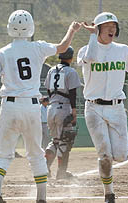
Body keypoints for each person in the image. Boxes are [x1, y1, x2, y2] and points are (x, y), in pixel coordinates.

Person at [0, 10, 81, 203]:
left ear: (9, 27)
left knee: (2, 154)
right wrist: (72, 29)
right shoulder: (37, 48)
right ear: (30, 28)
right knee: (36, 155)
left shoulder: (2, 53)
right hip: (32, 106)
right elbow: (63, 46)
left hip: (9, 106)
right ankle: (41, 199)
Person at [77, 12, 128, 203]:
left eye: (113, 26)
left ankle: (109, 182)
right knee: (104, 155)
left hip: (117, 109)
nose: (111, 29)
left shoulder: (122, 50)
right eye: (106, 26)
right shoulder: (85, 50)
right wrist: (91, 35)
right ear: (97, 29)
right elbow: (91, 57)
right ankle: (109, 193)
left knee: (120, 156)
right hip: (94, 108)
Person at [44, 46, 81, 180]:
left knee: (55, 141)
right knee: (65, 141)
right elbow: (72, 93)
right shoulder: (71, 71)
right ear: (70, 57)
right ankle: (61, 173)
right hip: (63, 108)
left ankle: (44, 169)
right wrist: (74, 111)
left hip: (51, 108)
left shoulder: (51, 70)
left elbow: (49, 91)